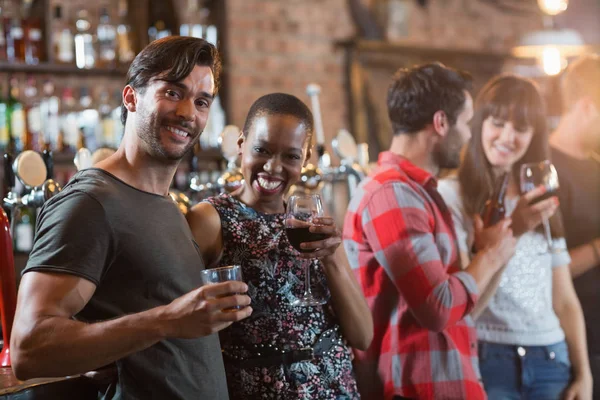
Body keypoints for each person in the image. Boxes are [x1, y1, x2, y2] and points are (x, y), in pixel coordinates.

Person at [10, 36, 252, 399]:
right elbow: (29, 349)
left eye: (201, 101)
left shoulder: (167, 205)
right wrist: (168, 320)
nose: (188, 113)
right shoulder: (90, 202)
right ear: (130, 97)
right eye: (173, 92)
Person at [342, 63, 517, 400]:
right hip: (414, 390)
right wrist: (490, 255)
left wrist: (487, 255)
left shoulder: (416, 192)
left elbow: (459, 311)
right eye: (466, 123)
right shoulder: (392, 193)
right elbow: (438, 308)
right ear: (441, 123)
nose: (469, 135)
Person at [187, 92, 373, 399]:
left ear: (307, 156)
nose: (273, 167)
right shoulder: (211, 218)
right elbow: (181, 320)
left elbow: (363, 336)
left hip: (335, 385)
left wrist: (332, 258)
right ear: (241, 144)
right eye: (262, 149)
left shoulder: (311, 222)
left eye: (290, 156)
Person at [438, 74, 592, 399]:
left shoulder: (540, 196)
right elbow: (463, 308)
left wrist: (584, 373)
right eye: (497, 123)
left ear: (534, 135)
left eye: (520, 128)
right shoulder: (452, 194)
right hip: (488, 357)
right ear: (478, 124)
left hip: (552, 359)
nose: (507, 136)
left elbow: (564, 298)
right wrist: (514, 229)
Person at [549, 55, 600, 399]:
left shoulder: (597, 164)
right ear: (587, 106)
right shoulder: (543, 168)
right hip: (578, 339)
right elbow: (549, 268)